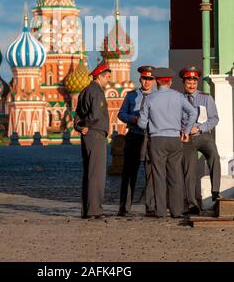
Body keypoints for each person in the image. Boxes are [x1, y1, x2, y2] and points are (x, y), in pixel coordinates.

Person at [138, 67, 197, 218]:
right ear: (170, 81)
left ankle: (160, 211)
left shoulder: (150, 99)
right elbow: (193, 112)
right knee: (176, 175)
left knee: (158, 176)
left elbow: (141, 124)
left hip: (157, 139)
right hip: (175, 139)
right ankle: (177, 211)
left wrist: (152, 125)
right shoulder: (178, 97)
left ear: (157, 81)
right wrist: (186, 130)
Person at [180, 66, 221, 215]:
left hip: (203, 135)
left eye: (194, 82)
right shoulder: (179, 99)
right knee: (189, 169)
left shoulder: (206, 97)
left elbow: (215, 118)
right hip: (187, 138)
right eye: (188, 82)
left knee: (214, 156)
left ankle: (215, 191)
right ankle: (191, 203)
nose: (191, 85)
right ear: (184, 82)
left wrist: (200, 128)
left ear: (197, 82)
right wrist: (183, 130)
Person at [74, 62, 111, 219]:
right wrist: (88, 126)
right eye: (107, 77)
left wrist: (80, 127)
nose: (108, 80)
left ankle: (88, 209)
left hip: (88, 135)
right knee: (97, 174)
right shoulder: (96, 92)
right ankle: (95, 210)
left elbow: (77, 115)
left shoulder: (84, 91)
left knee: (89, 172)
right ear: (100, 76)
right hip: (95, 135)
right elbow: (96, 114)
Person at [117, 65, 156, 217]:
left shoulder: (157, 97)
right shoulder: (131, 96)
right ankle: (124, 207)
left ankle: (151, 207)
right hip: (134, 135)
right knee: (129, 172)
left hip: (151, 137)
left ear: (153, 81)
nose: (147, 82)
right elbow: (121, 114)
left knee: (151, 173)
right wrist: (131, 118)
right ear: (140, 79)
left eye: (150, 79)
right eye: (145, 79)